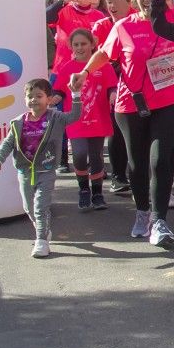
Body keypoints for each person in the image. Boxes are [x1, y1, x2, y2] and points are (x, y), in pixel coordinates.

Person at [70, 0, 174, 249]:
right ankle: (142, 211)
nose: (149, 3)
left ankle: (160, 220)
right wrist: (85, 72)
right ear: (136, 0)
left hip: (168, 100)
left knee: (160, 159)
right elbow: (104, 53)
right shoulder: (123, 26)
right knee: (136, 164)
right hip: (131, 104)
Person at [0, 78, 83, 259]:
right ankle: (44, 229)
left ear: (48, 99)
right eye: (29, 96)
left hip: (46, 171)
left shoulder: (56, 118)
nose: (33, 100)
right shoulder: (18, 122)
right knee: (29, 207)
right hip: (24, 172)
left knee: (41, 206)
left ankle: (41, 240)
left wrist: (76, 94)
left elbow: (75, 116)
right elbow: (8, 143)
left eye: (39, 96)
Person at [51, 28, 117, 212]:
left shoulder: (103, 65)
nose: (80, 48)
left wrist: (113, 94)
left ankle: (97, 193)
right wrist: (55, 98)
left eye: (84, 44)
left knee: (96, 156)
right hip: (76, 120)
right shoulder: (67, 67)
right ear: (71, 46)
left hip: (98, 118)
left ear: (92, 45)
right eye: (76, 44)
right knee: (79, 155)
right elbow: (58, 91)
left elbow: (112, 86)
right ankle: (83, 189)